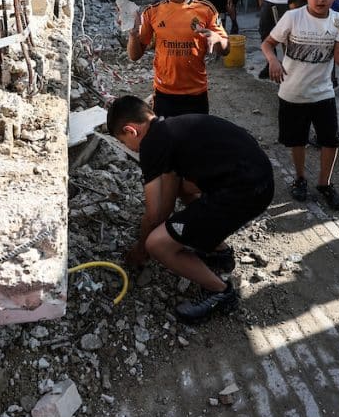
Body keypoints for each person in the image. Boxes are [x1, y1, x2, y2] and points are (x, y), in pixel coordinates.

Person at [107, 95, 275, 323]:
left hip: (244, 192)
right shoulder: (169, 127)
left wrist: (141, 250)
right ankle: (219, 252)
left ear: (131, 131)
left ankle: (221, 293)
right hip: (259, 179)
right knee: (182, 187)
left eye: (124, 142)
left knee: (157, 244)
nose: (129, 148)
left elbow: (154, 214)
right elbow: (166, 200)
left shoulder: (151, 145)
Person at [261, 0, 339, 211]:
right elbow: (267, 44)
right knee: (296, 140)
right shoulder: (292, 17)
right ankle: (300, 178)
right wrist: (273, 60)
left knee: (330, 141)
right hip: (292, 93)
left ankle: (324, 184)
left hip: (323, 93)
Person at [128, 0, 229, 117]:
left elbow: (226, 50)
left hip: (196, 95)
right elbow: (134, 55)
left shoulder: (206, 10)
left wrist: (218, 40)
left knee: (194, 142)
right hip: (164, 94)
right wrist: (133, 34)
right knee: (169, 141)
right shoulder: (152, 11)